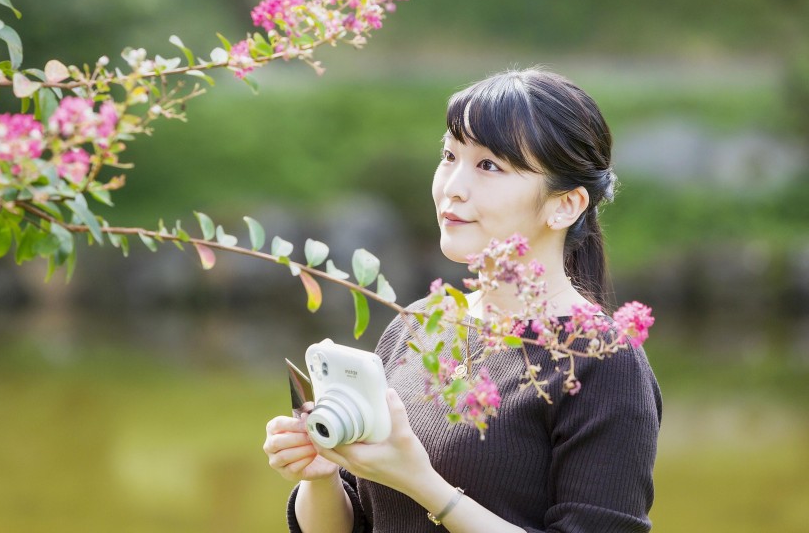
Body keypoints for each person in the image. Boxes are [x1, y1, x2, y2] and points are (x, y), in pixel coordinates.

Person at [262, 68, 662, 533]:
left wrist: (423, 484)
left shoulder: (601, 362)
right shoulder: (419, 325)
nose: (452, 185)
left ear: (565, 205)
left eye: (488, 165)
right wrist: (322, 474)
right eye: (449, 156)